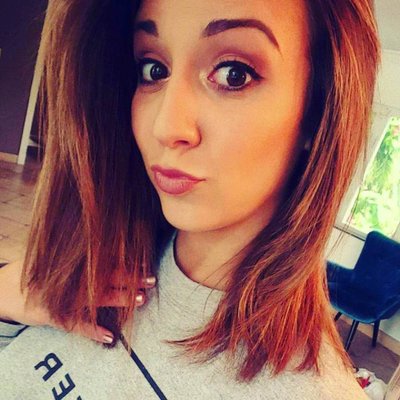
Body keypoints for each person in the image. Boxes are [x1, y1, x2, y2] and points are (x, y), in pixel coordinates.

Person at [0, 0, 379, 398]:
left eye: (233, 74)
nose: (165, 126)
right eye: (154, 69)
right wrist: (7, 297)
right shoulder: (94, 259)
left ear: (318, 111)